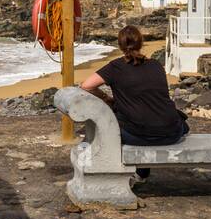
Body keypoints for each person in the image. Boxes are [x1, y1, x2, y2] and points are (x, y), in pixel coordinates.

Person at [79, 25, 188, 180]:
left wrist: (106, 98)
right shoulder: (156, 65)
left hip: (138, 135)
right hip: (171, 133)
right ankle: (142, 173)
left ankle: (121, 174)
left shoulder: (115, 67)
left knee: (115, 126)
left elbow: (86, 86)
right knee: (155, 117)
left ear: (120, 45)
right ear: (141, 43)